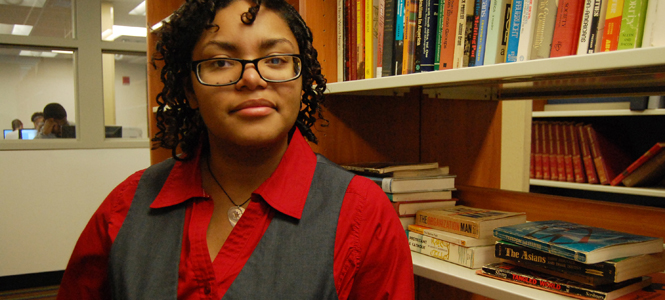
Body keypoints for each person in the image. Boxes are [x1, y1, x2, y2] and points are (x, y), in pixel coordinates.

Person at [57, 0, 415, 299]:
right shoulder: (125, 208)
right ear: (189, 90)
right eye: (221, 62)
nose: (252, 78)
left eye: (275, 59)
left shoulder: (364, 215)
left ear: (302, 79)